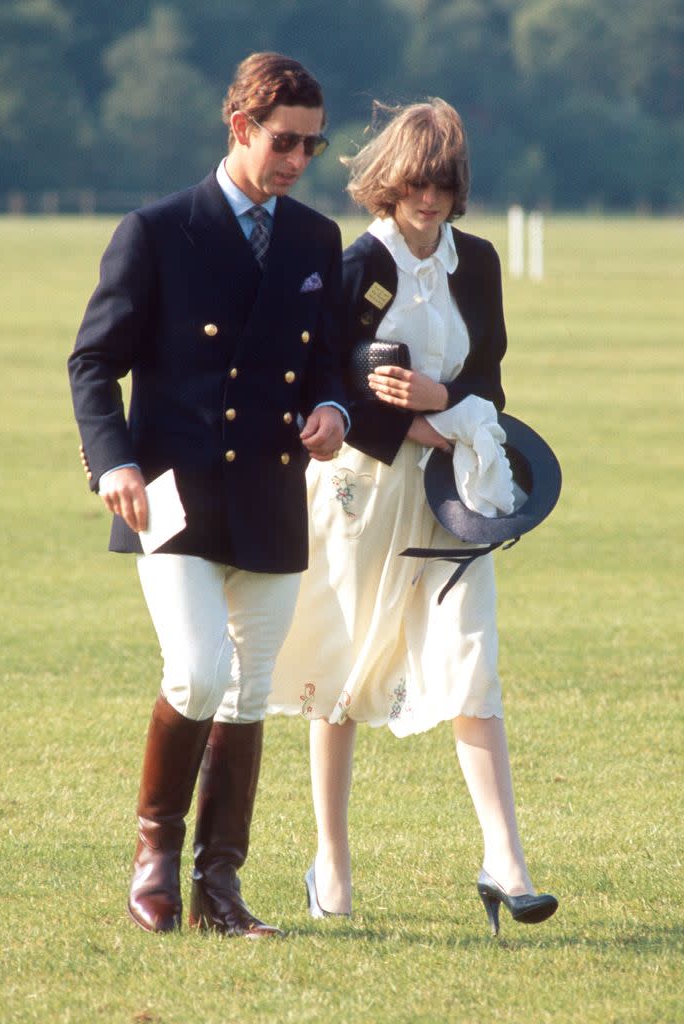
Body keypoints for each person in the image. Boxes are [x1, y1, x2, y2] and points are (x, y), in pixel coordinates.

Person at [68, 52, 348, 938]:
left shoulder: (315, 239)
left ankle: (218, 891)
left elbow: (330, 359)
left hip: (271, 494)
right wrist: (111, 461)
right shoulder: (156, 230)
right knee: (197, 670)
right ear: (240, 128)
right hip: (171, 496)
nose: (297, 161)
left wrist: (335, 407)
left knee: (251, 691)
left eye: (312, 145)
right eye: (283, 142)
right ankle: (154, 859)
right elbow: (93, 362)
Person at [268, 99, 558, 936]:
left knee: (472, 655)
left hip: (453, 494)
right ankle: (332, 862)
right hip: (360, 494)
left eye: (444, 185)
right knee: (340, 673)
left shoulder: (481, 263)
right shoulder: (357, 262)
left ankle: (505, 860)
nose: (429, 200)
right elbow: (330, 383)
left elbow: (492, 389)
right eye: (416, 184)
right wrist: (419, 420)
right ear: (388, 183)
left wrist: (447, 407)